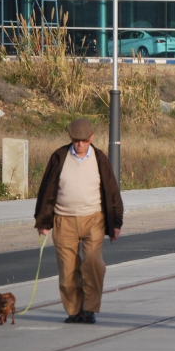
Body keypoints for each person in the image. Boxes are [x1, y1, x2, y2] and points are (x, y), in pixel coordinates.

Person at [34, 118, 123, 324]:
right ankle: (75, 311)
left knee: (93, 262)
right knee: (68, 269)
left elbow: (112, 192)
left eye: (84, 140)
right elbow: (46, 191)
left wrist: (116, 223)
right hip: (63, 219)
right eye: (76, 140)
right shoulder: (59, 156)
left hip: (94, 219)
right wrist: (43, 222)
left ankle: (90, 308)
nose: (80, 144)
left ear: (91, 138)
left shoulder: (99, 158)